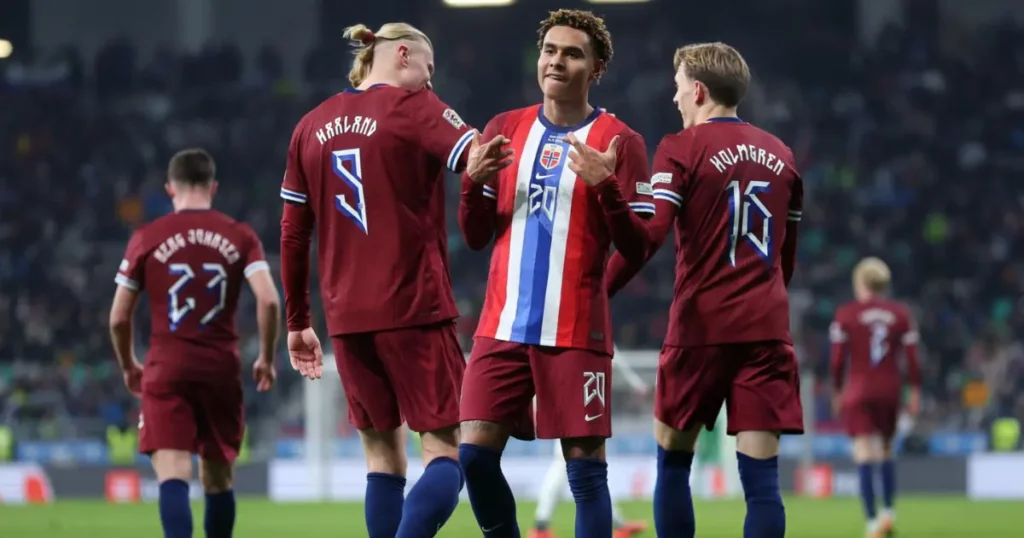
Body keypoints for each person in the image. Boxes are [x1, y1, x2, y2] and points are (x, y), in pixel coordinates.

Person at [278, 22, 512, 538]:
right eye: (428, 71)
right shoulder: (412, 106)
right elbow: (474, 153)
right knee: (444, 451)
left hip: (346, 318)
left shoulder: (309, 126)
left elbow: (294, 235)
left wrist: (298, 321)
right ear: (403, 54)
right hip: (413, 306)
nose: (430, 84)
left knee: (382, 458)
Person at [458, 9, 653, 538]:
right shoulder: (505, 128)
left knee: (585, 473)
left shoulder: (620, 141)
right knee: (473, 457)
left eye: (572, 53)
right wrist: (472, 183)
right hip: (500, 326)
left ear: (597, 68)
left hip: (574, 331)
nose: (556, 61)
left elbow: (637, 246)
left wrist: (608, 186)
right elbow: (477, 236)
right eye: (550, 50)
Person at [606, 42, 804, 538]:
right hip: (766, 329)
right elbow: (788, 259)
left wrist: (596, 291)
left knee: (674, 464)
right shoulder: (782, 155)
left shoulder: (680, 147)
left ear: (696, 90)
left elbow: (649, 238)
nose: (675, 100)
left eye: (677, 89)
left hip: (700, 328)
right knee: (762, 483)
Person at [109, 148, 280, 538]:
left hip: (166, 367)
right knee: (218, 479)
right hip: (220, 368)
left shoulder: (146, 237)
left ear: (171, 188)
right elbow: (269, 299)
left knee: (174, 476)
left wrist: (128, 364)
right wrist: (267, 358)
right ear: (213, 187)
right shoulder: (240, 235)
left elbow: (118, 317)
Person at [829, 257, 921, 538]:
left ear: (860, 283)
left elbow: (836, 361)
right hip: (890, 389)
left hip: (857, 389)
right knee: (886, 449)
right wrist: (914, 390)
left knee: (863, 453)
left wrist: (837, 390)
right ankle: (889, 513)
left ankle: (871, 522)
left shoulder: (845, 314)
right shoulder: (902, 314)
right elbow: (912, 360)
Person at [530, 345, 650, 538]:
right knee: (580, 463)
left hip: (575, 390)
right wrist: (637, 385)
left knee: (582, 465)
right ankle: (540, 526)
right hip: (570, 393)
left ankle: (616, 522)